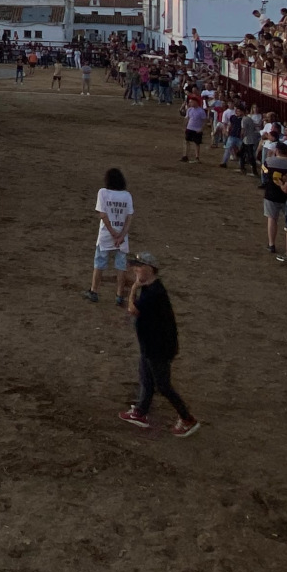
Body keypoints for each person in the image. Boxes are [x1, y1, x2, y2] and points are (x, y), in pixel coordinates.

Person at [117, 251, 198, 437]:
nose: (135, 270)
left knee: (163, 385)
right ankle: (140, 412)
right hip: (151, 345)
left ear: (150, 269)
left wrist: (133, 288)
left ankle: (187, 419)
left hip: (158, 348)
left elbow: (132, 309)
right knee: (145, 377)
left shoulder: (153, 293)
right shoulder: (152, 288)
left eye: (139, 266)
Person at [84, 168, 134, 305]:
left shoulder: (103, 193)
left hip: (106, 234)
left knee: (99, 262)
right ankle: (119, 296)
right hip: (122, 238)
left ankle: (94, 291)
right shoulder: (127, 196)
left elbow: (103, 215)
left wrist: (112, 233)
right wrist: (121, 235)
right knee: (120, 266)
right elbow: (129, 218)